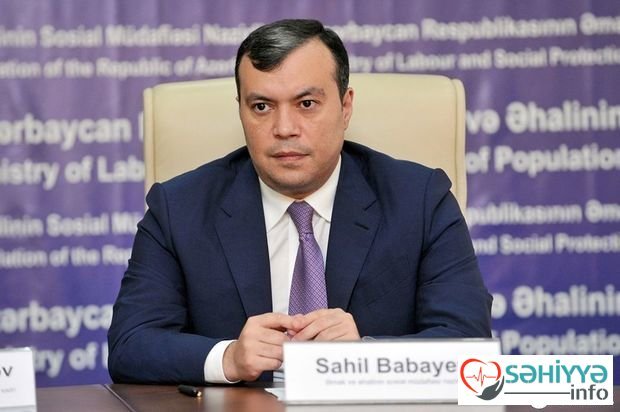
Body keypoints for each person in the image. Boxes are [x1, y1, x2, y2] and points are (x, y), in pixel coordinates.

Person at [107, 18, 492, 385]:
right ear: (240, 110)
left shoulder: (419, 201)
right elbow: (130, 344)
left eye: (306, 104)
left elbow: (468, 343)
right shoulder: (179, 209)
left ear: (345, 107)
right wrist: (228, 357)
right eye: (261, 106)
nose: (284, 129)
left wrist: (367, 355)